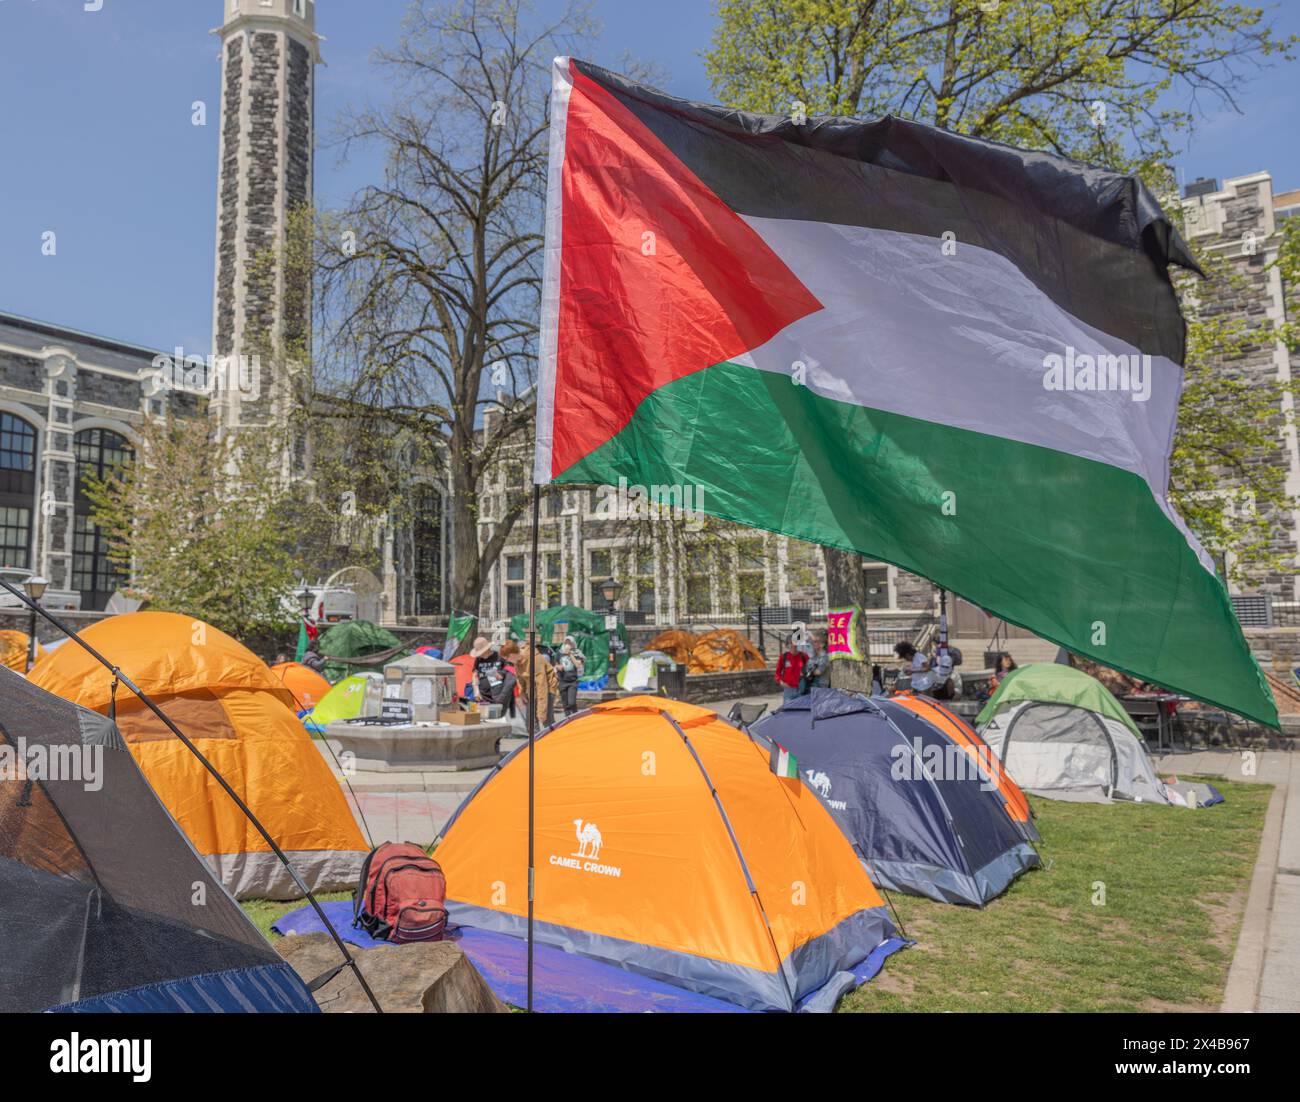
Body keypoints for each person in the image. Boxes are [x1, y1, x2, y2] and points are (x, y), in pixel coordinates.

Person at [503, 640, 558, 730]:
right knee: (530, 722)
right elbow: (520, 678)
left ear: (512, 654)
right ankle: (536, 742)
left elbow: (542, 685)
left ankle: (555, 741)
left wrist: (542, 711)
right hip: (532, 689)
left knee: (546, 720)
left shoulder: (534, 659)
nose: (507, 660)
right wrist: (522, 692)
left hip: (547, 688)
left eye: (507, 658)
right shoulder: (517, 661)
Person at [471, 635, 516, 716]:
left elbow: (511, 670)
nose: (480, 655)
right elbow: (475, 674)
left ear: (487, 649)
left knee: (499, 719)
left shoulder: (499, 656)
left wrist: (502, 674)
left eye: (481, 652)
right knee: (486, 721)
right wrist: (476, 690)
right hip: (484, 697)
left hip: (500, 697)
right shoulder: (478, 659)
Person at [554, 636, 586, 717]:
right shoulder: (559, 652)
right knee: (565, 704)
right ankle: (567, 720)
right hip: (562, 680)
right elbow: (556, 664)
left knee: (572, 702)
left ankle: (575, 716)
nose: (567, 644)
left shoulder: (577, 653)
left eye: (569, 643)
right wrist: (558, 667)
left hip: (572, 681)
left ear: (573, 644)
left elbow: (578, 665)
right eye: (566, 643)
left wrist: (570, 655)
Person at [775, 636, 808, 704]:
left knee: (800, 712)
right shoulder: (783, 657)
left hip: (801, 690)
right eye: (791, 643)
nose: (793, 645)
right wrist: (781, 682)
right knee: (788, 712)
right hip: (788, 691)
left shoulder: (804, 656)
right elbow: (777, 673)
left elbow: (810, 670)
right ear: (787, 645)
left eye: (795, 643)